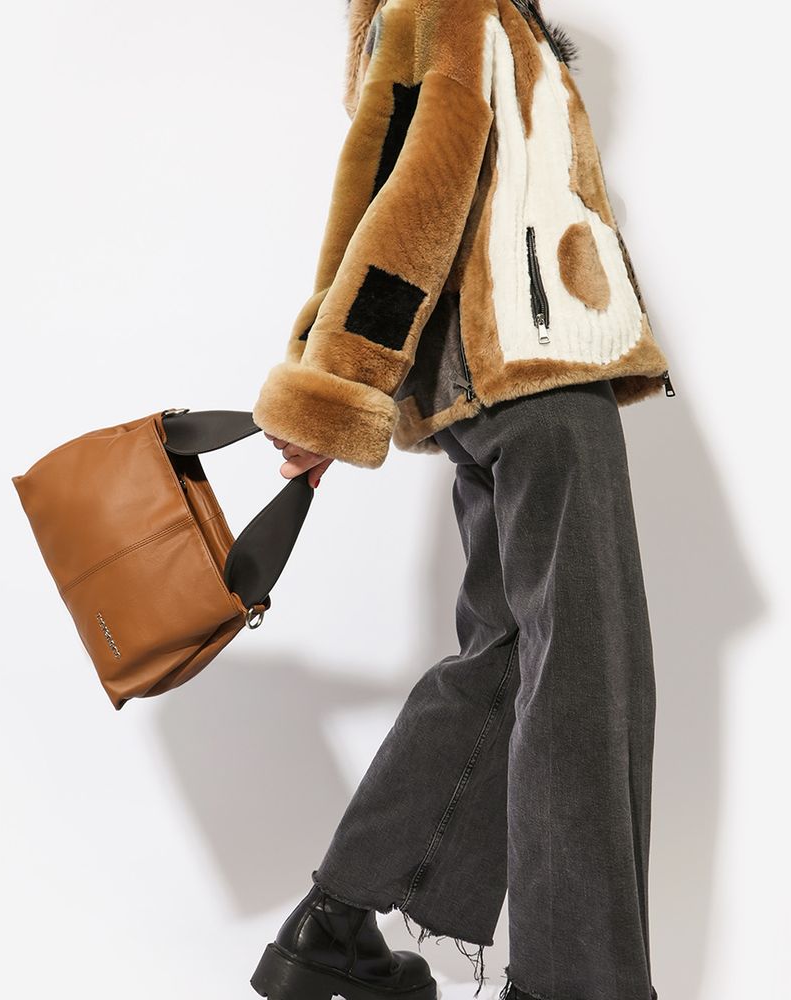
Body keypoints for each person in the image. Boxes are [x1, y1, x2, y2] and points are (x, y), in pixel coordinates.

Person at [248, 2, 673, 999]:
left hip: (485, 385)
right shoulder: (460, 5)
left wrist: (334, 379)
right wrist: (336, 389)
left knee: (511, 658)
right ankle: (576, 985)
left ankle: (333, 930)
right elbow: (411, 207)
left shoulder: (426, 11)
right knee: (587, 679)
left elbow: (380, 194)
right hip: (537, 372)